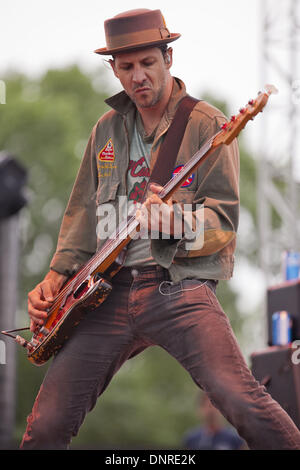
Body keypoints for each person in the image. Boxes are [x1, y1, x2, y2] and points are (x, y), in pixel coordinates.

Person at [20, 9, 300, 450]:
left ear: (168, 58)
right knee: (46, 425)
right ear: (113, 68)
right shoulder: (105, 131)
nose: (138, 77)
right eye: (126, 67)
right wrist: (55, 278)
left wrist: (176, 223)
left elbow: (224, 224)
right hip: (103, 296)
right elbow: (80, 217)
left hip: (178, 290)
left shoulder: (208, 126)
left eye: (148, 63)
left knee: (242, 400)